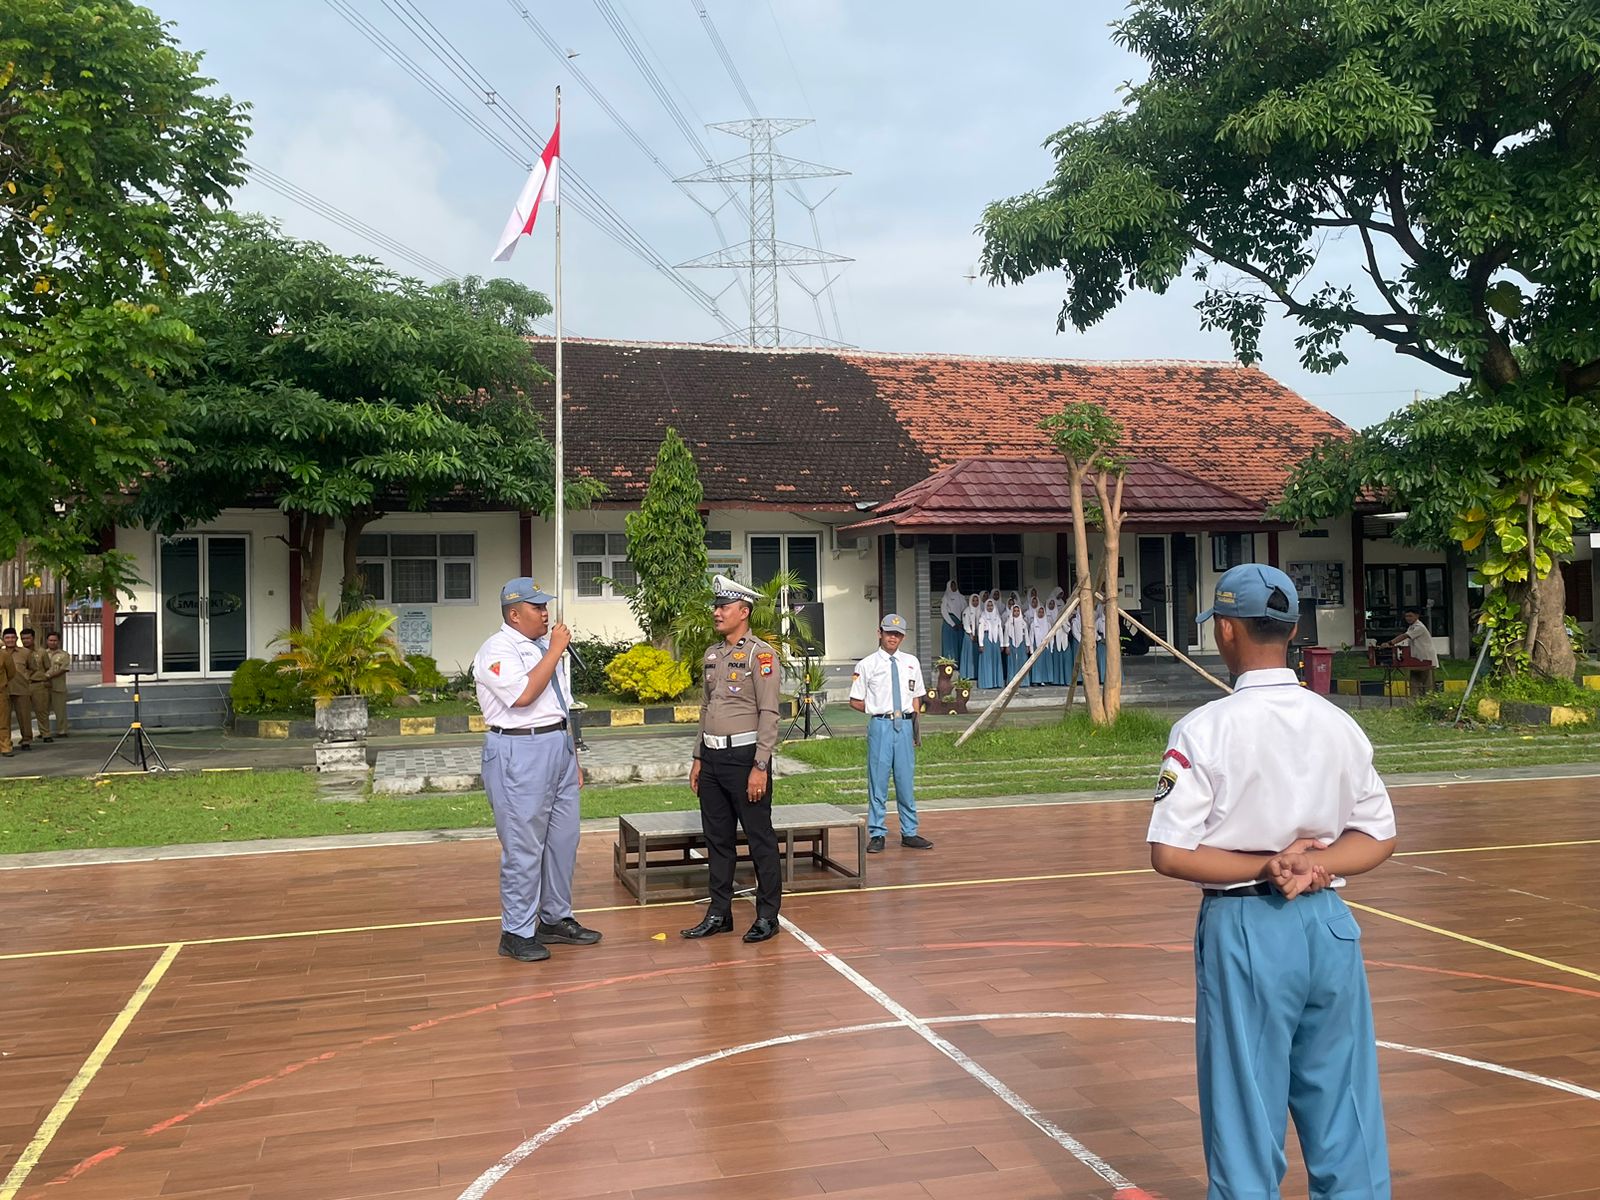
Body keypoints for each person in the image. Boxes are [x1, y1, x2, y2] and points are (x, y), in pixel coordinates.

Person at [1147, 563, 1397, 1200]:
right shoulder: (1339, 723)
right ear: (1289, 631)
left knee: (1245, 1112)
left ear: (1227, 630)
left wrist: (1266, 865)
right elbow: (1378, 836)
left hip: (1247, 923)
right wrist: (1318, 867)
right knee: (1347, 1110)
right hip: (1330, 924)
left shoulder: (1204, 729)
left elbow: (1171, 853)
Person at [473, 579, 602, 964]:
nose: (545, 613)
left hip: (556, 746)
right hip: (518, 748)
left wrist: (572, 756)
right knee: (524, 845)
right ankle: (516, 930)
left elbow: (559, 705)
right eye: (536, 607)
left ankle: (554, 917)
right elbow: (524, 695)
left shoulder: (541, 647)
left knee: (563, 841)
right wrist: (557, 650)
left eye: (545, 606)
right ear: (514, 614)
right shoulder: (497, 649)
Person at [682, 575, 784, 944]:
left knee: (759, 839)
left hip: (745, 759)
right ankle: (719, 912)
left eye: (723, 607)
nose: (716, 612)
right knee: (718, 839)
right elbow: (706, 708)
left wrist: (760, 766)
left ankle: (767, 915)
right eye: (716, 606)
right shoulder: (712, 655)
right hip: (712, 758)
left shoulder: (762, 655)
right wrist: (698, 757)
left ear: (744, 611)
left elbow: (770, 713)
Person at [849, 613, 933, 854]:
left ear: (903, 637)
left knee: (906, 781)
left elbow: (916, 695)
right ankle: (877, 832)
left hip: (905, 725)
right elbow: (855, 700)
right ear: (880, 633)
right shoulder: (867, 665)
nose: (893, 638)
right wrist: (876, 709)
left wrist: (915, 727)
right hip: (882, 725)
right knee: (878, 780)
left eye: (897, 634)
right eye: (889, 633)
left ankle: (910, 831)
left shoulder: (911, 662)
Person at [1386, 607, 1439, 698]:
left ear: (1417, 616)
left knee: (1427, 684)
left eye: (1410, 616)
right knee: (1414, 682)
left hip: (1426, 659)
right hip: (1415, 659)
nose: (1408, 618)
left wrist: (1390, 643)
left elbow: (1405, 636)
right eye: (1406, 616)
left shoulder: (1419, 627)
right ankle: (1415, 704)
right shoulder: (1412, 627)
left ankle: (1429, 703)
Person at [3, 629, 34, 752]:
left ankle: (26, 739)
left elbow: (33, 668)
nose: (10, 640)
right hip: (4, 689)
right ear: (3, 639)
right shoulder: (1, 653)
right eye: (7, 638)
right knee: (4, 718)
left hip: (21, 688)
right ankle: (6, 742)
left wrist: (26, 677)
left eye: (12, 637)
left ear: (16, 638)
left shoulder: (25, 653)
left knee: (24, 716)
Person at [20, 629, 51, 743]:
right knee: (24, 713)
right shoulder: (19, 653)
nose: (26, 641)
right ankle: (27, 736)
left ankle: (45, 733)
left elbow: (48, 667)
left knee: (41, 710)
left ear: (33, 638)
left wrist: (47, 679)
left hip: (38, 684)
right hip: (23, 685)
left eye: (28, 638)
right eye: (23, 639)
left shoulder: (42, 652)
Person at [42, 632, 71, 738]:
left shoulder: (64, 655)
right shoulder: (42, 653)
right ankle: (44, 732)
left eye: (55, 640)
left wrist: (48, 676)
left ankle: (62, 731)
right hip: (44, 686)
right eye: (50, 640)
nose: (52, 642)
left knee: (60, 710)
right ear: (47, 641)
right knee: (43, 711)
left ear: (58, 641)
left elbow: (63, 669)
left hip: (58, 686)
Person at [976, 599, 1005, 689]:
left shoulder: (997, 617)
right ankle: (987, 683)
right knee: (987, 661)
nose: (990, 607)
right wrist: (981, 644)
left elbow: (1000, 631)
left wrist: (1002, 644)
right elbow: (980, 631)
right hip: (986, 640)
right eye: (988, 606)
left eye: (991, 605)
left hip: (996, 641)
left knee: (995, 661)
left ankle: (997, 683)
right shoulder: (983, 617)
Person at [939, 580, 965, 662]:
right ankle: (950, 663)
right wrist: (952, 623)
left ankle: (959, 663)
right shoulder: (946, 597)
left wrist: (963, 622)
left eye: (955, 585)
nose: (954, 587)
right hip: (949, 623)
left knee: (959, 643)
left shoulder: (961, 597)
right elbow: (944, 611)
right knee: (950, 644)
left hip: (960, 623)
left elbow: (965, 610)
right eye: (952, 585)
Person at [1005, 603, 1031, 685]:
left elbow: (1026, 634)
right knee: (1012, 662)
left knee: (1022, 662)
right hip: (1011, 644)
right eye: (1014, 611)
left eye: (1018, 611)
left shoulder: (1023, 623)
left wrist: (1027, 645)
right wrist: (1007, 646)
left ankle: (1023, 682)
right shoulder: (1008, 623)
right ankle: (1012, 681)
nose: (1016, 613)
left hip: (1022, 645)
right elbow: (1006, 634)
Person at [958, 593, 980, 679]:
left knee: (976, 655)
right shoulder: (967, 611)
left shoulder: (980, 611)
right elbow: (966, 623)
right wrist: (970, 633)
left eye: (977, 600)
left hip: (978, 636)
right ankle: (968, 674)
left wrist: (978, 635)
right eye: (973, 600)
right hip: (969, 636)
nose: (975, 602)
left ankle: (976, 674)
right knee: (969, 654)